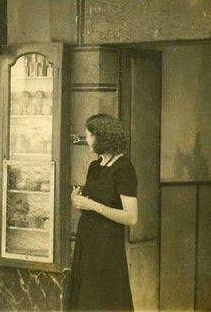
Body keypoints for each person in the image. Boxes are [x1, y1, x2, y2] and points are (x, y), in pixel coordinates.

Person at [69, 113, 138, 311]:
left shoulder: (124, 168)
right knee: (86, 298)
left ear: (102, 137)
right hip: (87, 240)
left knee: (104, 299)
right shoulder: (94, 166)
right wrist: (79, 202)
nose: (87, 140)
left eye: (89, 136)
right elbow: (93, 200)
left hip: (107, 245)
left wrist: (94, 206)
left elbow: (131, 217)